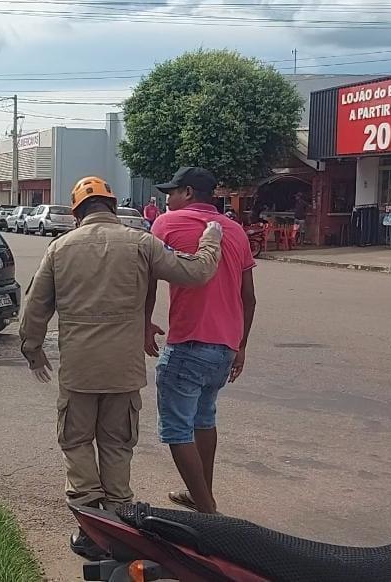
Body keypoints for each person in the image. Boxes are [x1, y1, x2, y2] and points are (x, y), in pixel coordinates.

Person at [19, 175, 223, 555]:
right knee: (116, 445)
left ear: (77, 213)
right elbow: (197, 272)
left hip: (79, 372)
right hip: (123, 373)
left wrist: (33, 350)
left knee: (77, 442)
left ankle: (90, 525)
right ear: (112, 207)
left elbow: (34, 309)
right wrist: (211, 239)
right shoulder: (142, 243)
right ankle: (117, 528)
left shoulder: (60, 248)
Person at [147, 167, 257, 514]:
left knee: (177, 428)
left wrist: (143, 322)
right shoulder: (236, 231)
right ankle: (200, 494)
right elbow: (248, 297)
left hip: (188, 343)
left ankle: (208, 511)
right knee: (203, 419)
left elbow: (147, 277)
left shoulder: (167, 223)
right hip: (224, 347)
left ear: (189, 193)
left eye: (173, 191)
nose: (167, 198)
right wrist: (240, 346)